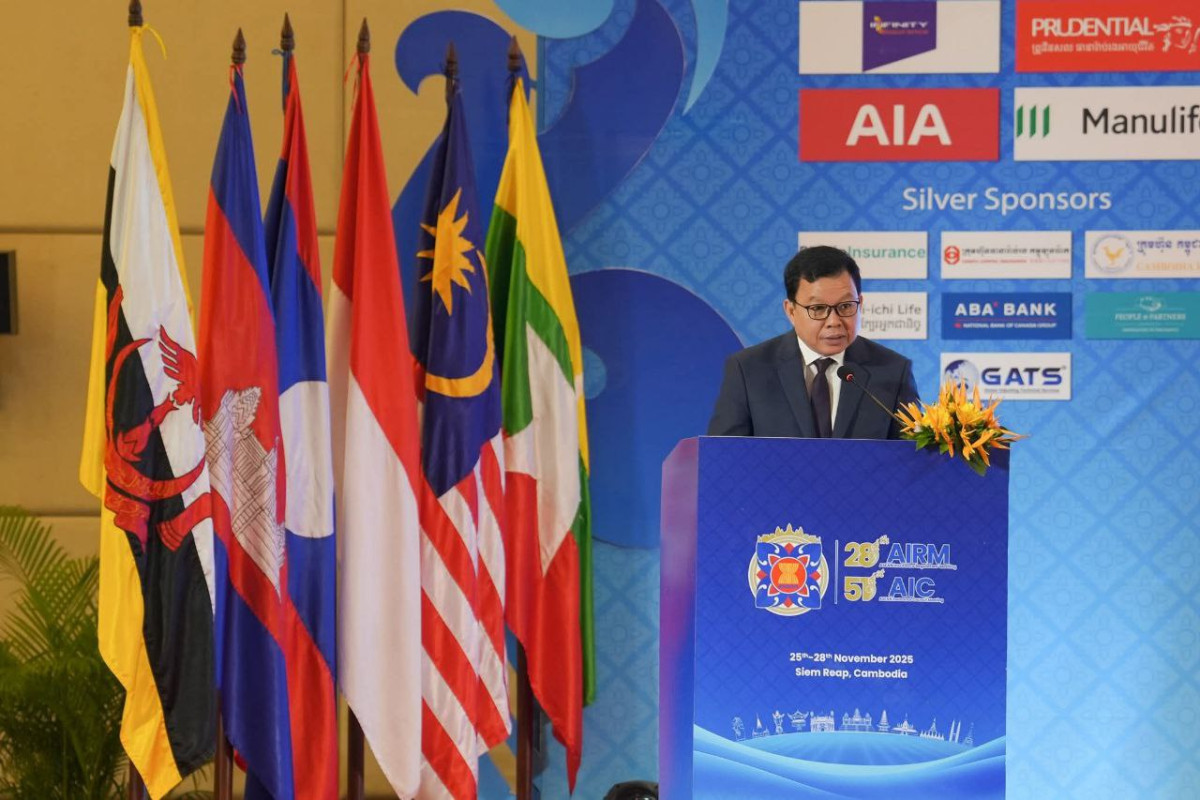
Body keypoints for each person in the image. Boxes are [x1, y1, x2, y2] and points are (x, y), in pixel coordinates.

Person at [707, 245, 918, 438]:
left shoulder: (893, 371)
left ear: (860, 304)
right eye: (818, 309)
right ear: (791, 311)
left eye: (846, 306)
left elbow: (912, 458)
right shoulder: (749, 370)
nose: (834, 322)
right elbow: (724, 456)